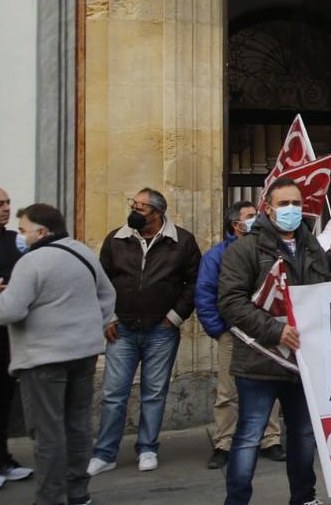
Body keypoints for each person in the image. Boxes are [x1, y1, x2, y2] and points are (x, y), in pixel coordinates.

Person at [218, 177, 331, 505]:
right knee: (249, 437)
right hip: (259, 362)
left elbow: (324, 293)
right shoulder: (245, 249)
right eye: (284, 204)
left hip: (301, 363)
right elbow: (231, 302)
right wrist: (274, 331)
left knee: (303, 436)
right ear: (268, 208)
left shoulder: (313, 247)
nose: (291, 210)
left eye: (297, 203)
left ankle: (304, 497)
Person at [0, 204, 115, 505]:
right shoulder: (83, 253)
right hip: (83, 355)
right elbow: (107, 296)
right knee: (78, 426)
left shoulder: (31, 262)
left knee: (48, 433)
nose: (21, 236)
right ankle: (78, 494)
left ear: (41, 231)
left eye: (23, 230)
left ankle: (50, 498)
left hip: (43, 359)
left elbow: (9, 311)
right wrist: (87, 326)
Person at [89, 188, 201, 476]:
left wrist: (174, 318)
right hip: (122, 329)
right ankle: (105, 453)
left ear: (158, 212)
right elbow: (102, 281)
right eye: (134, 204)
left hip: (161, 331)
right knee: (114, 393)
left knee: (154, 392)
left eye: (141, 207)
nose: (134, 210)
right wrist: (108, 317)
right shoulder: (117, 239)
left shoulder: (182, 241)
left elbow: (194, 283)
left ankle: (148, 447)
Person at [194, 201, 284, 470]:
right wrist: (219, 329)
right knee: (227, 391)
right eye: (249, 216)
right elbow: (206, 293)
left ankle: (270, 438)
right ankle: (224, 442)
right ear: (236, 224)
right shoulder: (216, 255)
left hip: (266, 332)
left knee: (271, 385)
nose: (255, 219)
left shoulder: (269, 250)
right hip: (233, 333)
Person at [0, 185, 32, 490]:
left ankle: (1, 459)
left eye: (7, 203)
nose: (5, 209)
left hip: (9, 335)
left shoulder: (14, 240)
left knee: (2, 399)